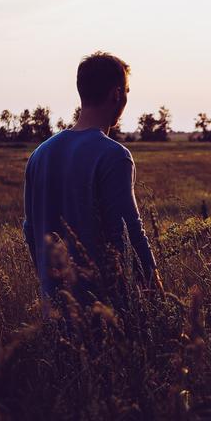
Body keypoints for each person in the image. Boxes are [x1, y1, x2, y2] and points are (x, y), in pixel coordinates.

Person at [23, 51, 160, 302]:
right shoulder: (113, 155)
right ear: (116, 94)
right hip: (105, 313)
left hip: (56, 309)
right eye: (127, 91)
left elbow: (30, 231)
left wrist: (49, 287)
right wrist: (157, 293)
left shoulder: (39, 155)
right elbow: (128, 234)